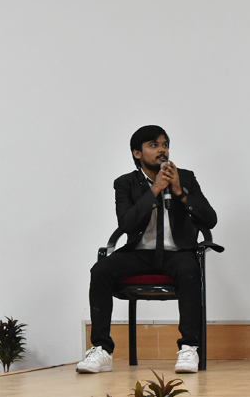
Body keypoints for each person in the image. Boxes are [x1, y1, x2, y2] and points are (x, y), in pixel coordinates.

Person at [76, 125, 217, 374]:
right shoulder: (125, 183)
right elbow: (127, 224)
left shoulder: (185, 178)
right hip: (139, 254)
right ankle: (101, 348)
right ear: (137, 153)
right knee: (100, 270)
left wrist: (179, 192)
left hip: (178, 252)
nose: (162, 150)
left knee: (189, 270)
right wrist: (154, 190)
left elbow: (210, 219)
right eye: (154, 145)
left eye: (165, 144)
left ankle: (189, 347)